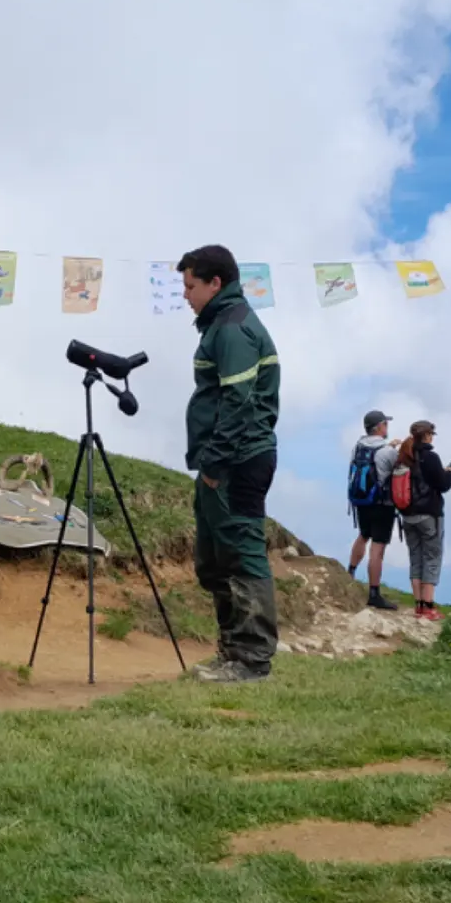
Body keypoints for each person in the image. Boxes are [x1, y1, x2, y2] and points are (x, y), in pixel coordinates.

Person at [177, 244, 282, 683]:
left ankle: (252, 660)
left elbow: (238, 404)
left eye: (190, 285)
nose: (185, 295)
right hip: (222, 460)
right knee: (215, 561)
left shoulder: (234, 328)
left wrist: (216, 466)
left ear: (215, 283)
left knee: (242, 555)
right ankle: (232, 651)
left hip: (237, 462)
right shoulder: (220, 324)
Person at [394, 420, 451, 620]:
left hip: (407, 516)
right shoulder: (430, 457)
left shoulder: (403, 457)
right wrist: (450, 473)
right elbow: (443, 485)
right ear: (428, 435)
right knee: (432, 558)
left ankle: (419, 606)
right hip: (429, 515)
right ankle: (429, 607)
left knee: (415, 558)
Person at [345, 408, 399, 611]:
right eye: (385, 424)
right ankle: (374, 593)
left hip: (361, 502)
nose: (387, 427)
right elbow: (397, 467)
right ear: (379, 427)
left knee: (363, 535)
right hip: (382, 504)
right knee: (378, 548)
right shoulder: (388, 451)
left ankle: (349, 573)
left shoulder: (358, 447)